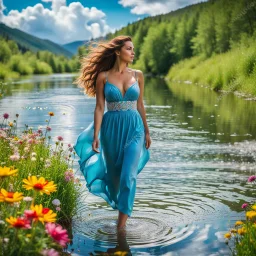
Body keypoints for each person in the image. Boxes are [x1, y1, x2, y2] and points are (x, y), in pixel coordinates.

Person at [73, 35, 151, 230]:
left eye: (133, 49)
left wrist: (147, 132)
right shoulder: (103, 77)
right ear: (118, 51)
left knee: (128, 177)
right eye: (129, 49)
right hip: (111, 130)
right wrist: (96, 135)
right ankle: (120, 207)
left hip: (134, 128)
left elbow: (140, 105)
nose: (133, 52)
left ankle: (120, 226)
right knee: (115, 179)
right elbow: (99, 108)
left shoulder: (138, 75)